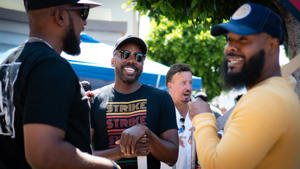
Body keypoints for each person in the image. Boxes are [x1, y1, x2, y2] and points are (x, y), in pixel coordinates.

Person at [0, 0, 120, 169]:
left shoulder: (7, 64)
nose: (84, 22)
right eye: (83, 12)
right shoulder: (50, 66)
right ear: (60, 16)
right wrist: (109, 166)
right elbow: (45, 155)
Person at [189, 2, 300, 169]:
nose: (230, 48)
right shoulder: (278, 90)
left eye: (244, 39)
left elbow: (218, 165)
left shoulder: (265, 99)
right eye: (229, 40)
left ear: (272, 45)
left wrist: (203, 117)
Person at [91, 35, 179, 169]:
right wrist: (121, 152)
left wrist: (146, 133)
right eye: (124, 54)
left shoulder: (161, 98)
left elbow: (172, 157)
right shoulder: (95, 99)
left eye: (138, 57)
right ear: (113, 61)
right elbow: (82, 155)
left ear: (143, 65)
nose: (131, 60)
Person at [166, 63, 194, 169]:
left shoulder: (200, 115)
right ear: (170, 86)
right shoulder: (159, 114)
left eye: (190, 83)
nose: (188, 88)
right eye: (183, 83)